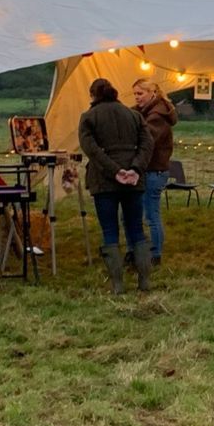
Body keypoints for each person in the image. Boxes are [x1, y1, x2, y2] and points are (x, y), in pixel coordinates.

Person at [78, 78, 153, 293]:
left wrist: (115, 171)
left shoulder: (88, 118)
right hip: (133, 181)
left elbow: (91, 150)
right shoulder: (134, 115)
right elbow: (148, 144)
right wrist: (135, 169)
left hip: (104, 182)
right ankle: (144, 281)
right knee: (136, 228)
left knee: (110, 230)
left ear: (93, 95)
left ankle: (118, 284)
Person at [131, 76, 178, 266]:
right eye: (134, 94)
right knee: (147, 213)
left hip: (154, 170)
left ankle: (156, 253)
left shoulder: (157, 116)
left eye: (140, 93)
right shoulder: (146, 112)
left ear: (153, 93)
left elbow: (147, 138)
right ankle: (147, 251)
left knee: (151, 215)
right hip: (150, 170)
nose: (137, 97)